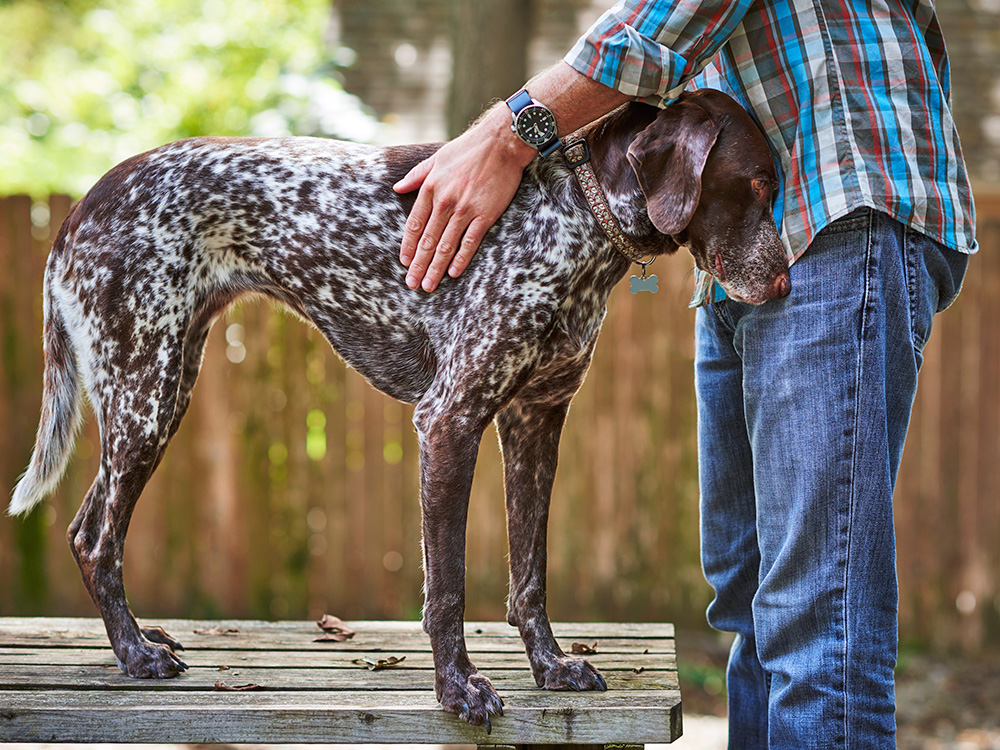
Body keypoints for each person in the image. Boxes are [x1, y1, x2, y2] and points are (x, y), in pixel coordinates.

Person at [393, 1, 977, 748]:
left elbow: (662, 26)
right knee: (750, 600)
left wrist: (505, 138)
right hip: (731, 245)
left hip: (837, 204)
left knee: (817, 620)